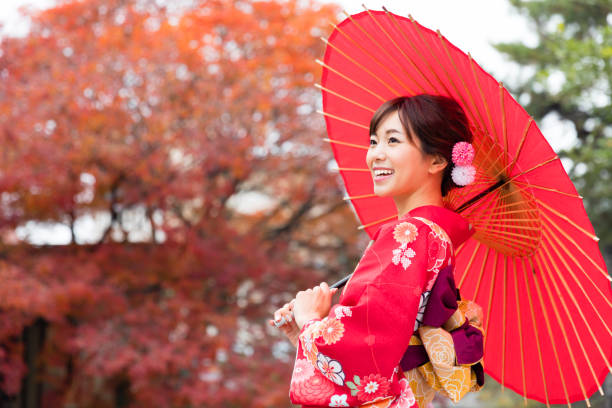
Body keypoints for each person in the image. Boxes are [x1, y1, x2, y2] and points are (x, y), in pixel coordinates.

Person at [269, 94, 484, 408]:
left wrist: (310, 322)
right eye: (373, 141)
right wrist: (303, 334)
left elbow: (367, 344)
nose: (375, 155)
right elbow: (387, 346)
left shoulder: (410, 235)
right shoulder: (436, 237)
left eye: (393, 141)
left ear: (437, 160)